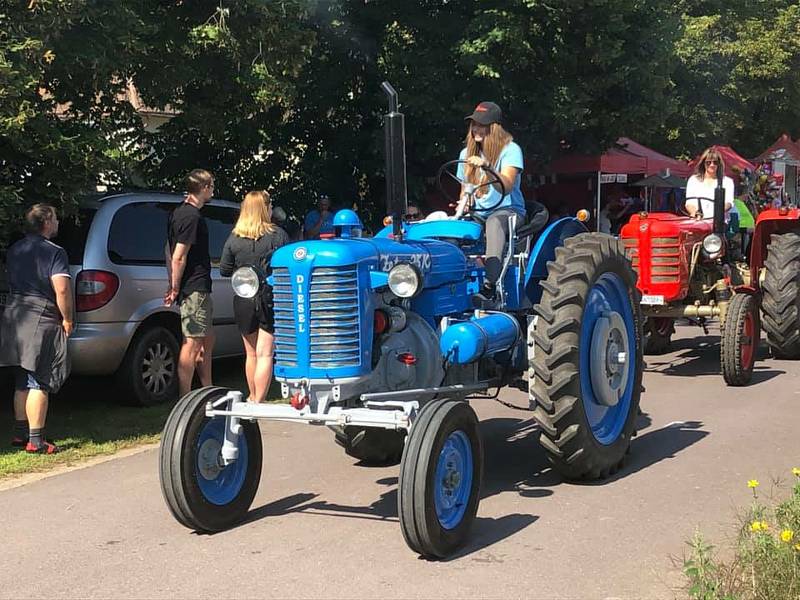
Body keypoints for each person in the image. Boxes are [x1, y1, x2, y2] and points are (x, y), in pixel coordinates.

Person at [0, 204, 73, 454]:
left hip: (15, 313)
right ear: (46, 223)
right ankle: (36, 440)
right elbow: (61, 288)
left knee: (22, 378)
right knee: (39, 379)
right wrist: (68, 318)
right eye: (55, 218)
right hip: (41, 316)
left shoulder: (15, 249)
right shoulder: (55, 253)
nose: (58, 223)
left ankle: (21, 434)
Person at [219, 191, 288, 403]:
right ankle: (260, 399)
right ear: (264, 209)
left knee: (251, 354)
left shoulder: (234, 237)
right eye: (269, 206)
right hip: (270, 297)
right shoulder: (277, 235)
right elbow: (286, 266)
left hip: (243, 298)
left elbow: (224, 269)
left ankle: (252, 396)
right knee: (266, 353)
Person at [457, 101, 525, 304]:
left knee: (494, 222)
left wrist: (488, 167)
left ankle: (490, 287)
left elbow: (506, 187)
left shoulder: (511, 150)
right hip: (479, 213)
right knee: (454, 229)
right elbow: (464, 192)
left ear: (493, 128)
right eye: (474, 124)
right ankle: (452, 282)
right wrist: (465, 202)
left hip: (508, 211)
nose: (476, 129)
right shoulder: (465, 155)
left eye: (481, 124)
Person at [165, 169, 215, 398]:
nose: (212, 190)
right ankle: (184, 397)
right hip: (194, 287)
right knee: (192, 343)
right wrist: (174, 286)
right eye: (211, 186)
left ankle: (208, 389)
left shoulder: (177, 213)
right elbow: (178, 255)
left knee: (206, 339)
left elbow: (167, 250)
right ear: (204, 188)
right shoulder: (191, 217)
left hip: (198, 286)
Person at [685, 148, 735, 220]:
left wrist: (716, 214)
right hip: (697, 220)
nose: (712, 165)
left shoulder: (727, 182)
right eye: (708, 162)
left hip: (719, 222)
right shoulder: (693, 180)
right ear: (703, 163)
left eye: (715, 162)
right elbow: (689, 202)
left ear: (719, 164)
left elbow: (728, 203)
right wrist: (696, 213)